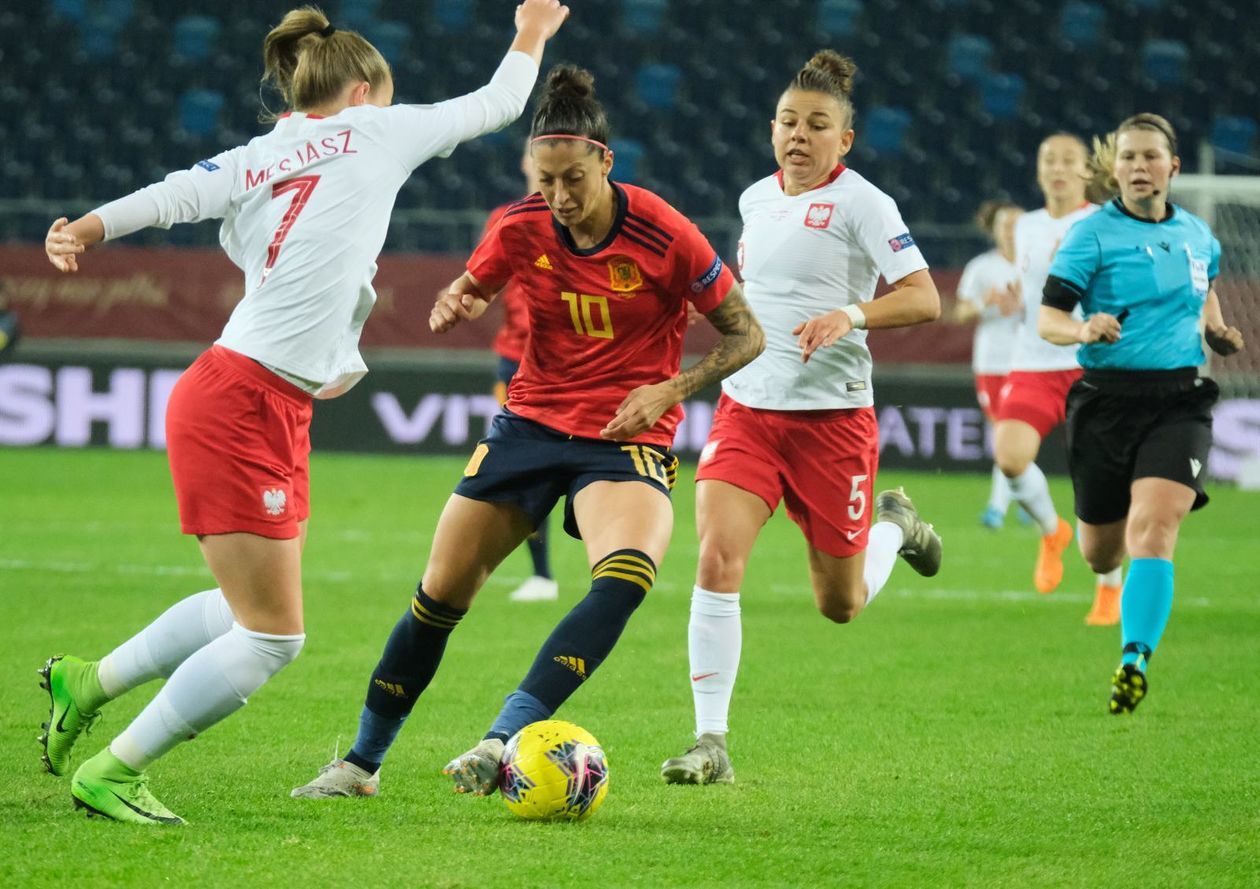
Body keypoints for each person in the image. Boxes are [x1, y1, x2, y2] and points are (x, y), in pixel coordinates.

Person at [36, 0, 570, 825]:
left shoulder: (268, 151)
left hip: (255, 394)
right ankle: (115, 769)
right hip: (242, 400)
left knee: (246, 605)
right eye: (386, 98)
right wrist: (532, 29)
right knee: (273, 636)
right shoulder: (376, 129)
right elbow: (499, 104)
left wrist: (90, 227)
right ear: (364, 91)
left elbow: (181, 195)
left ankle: (89, 680)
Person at [290, 64, 765, 800]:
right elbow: (477, 282)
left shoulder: (666, 232)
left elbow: (746, 336)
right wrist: (459, 299)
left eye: (573, 178)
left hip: (623, 438)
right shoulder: (518, 225)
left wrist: (669, 389)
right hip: (529, 426)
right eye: (546, 182)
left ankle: (500, 736)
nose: (561, 198)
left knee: (627, 574)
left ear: (606, 161)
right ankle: (359, 763)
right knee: (438, 594)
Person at [658, 50, 943, 786]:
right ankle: (710, 740)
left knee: (839, 604)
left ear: (843, 141)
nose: (799, 135)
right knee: (718, 559)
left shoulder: (865, 205)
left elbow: (924, 297)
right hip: (748, 413)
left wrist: (850, 315)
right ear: (772, 129)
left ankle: (895, 525)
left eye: (818, 125)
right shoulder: (757, 198)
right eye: (789, 121)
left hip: (832, 425)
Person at [1039, 113, 1244, 713]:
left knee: (1154, 529)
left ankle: (1134, 658)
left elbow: (1204, 290)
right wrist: (1082, 327)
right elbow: (1048, 319)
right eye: (1128, 157)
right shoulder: (1091, 235)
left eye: (1151, 157)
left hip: (1179, 401)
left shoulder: (1200, 236)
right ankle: (1112, 580)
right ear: (1116, 168)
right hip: (1105, 400)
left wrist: (1218, 331)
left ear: (1172, 168)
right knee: (1101, 553)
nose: (1139, 167)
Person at [993, 133, 1123, 627]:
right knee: (1009, 458)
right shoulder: (1025, 226)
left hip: (1089, 361)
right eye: (1049, 159)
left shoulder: (1101, 222)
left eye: (1069, 160)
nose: (1058, 167)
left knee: (1100, 478)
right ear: (1038, 169)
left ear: (1087, 171)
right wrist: (1015, 304)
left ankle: (1109, 586)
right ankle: (1052, 531)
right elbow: (1035, 292)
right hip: (1032, 361)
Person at [485, 146, 559, 602]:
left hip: (571, 362)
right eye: (537, 157)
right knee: (525, 464)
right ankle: (543, 575)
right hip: (515, 361)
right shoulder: (503, 217)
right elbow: (485, 279)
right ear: (525, 162)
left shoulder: (582, 216)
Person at [952, 200, 1025, 529]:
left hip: (1029, 360)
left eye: (1017, 225)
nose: (1011, 233)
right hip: (992, 361)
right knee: (1004, 433)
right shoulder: (982, 267)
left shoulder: (1038, 266)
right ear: (994, 231)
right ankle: (1019, 497)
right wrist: (988, 301)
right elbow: (960, 312)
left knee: (1014, 433)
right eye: (1005, 226)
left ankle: (1001, 506)